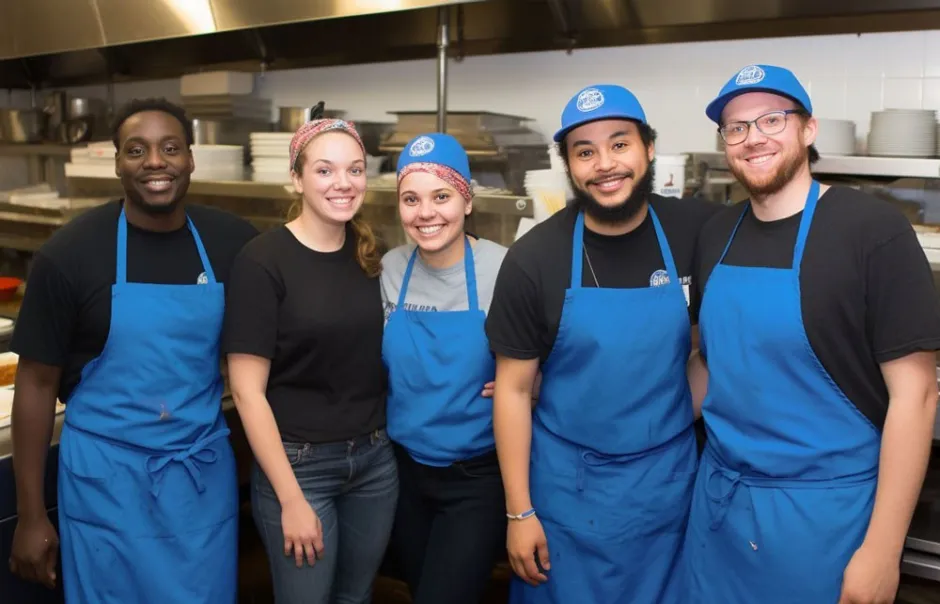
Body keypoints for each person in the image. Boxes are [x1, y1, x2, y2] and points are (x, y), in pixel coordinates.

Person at [684, 64, 940, 604]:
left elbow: (916, 396)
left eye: (772, 119)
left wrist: (882, 550)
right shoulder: (716, 233)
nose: (754, 138)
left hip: (825, 520)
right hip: (720, 510)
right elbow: (710, 364)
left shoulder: (871, 230)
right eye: (736, 127)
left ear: (808, 128)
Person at [7, 98, 258, 602]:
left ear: (191, 157)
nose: (155, 162)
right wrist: (31, 515)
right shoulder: (70, 253)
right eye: (136, 150)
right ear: (117, 161)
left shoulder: (234, 243)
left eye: (170, 148)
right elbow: (35, 384)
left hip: (199, 485)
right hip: (107, 485)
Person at [484, 84, 721, 603]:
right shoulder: (534, 259)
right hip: (565, 494)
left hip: (667, 489)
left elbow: (726, 344)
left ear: (649, 149)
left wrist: (676, 414)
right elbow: (513, 391)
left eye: (619, 144)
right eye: (585, 151)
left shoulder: (696, 231)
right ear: (568, 165)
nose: (605, 164)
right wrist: (519, 511)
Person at [223, 117, 396, 604]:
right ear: (297, 179)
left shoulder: (370, 255)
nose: (343, 183)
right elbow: (247, 392)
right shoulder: (262, 262)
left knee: (356, 597)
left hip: (375, 462)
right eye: (325, 170)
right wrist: (291, 499)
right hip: (299, 467)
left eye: (355, 169)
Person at [381, 133, 508, 604]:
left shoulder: (504, 269)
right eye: (410, 199)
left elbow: (551, 350)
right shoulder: (389, 268)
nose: (426, 212)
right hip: (404, 475)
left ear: (467, 200)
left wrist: (535, 382)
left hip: (477, 478)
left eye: (441, 196)